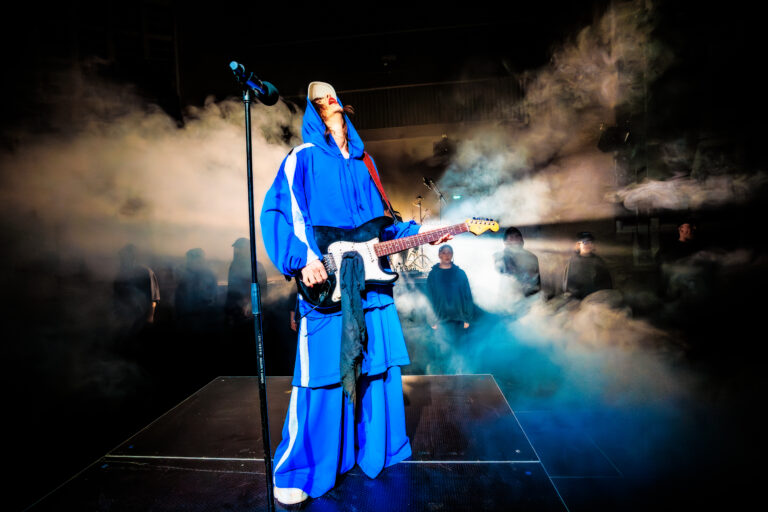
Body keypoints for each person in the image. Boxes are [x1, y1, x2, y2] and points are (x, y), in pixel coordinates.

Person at [260, 81, 451, 505]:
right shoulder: (302, 159)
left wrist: (422, 233)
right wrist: (301, 259)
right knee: (323, 376)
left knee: (379, 368)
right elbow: (279, 212)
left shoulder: (367, 164)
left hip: (373, 287)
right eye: (320, 101)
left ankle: (377, 448)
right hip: (329, 287)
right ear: (313, 113)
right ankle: (306, 467)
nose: (330, 105)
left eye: (333, 98)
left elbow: (383, 227)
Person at [426, 245, 474, 346]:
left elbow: (468, 297)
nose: (446, 255)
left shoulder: (460, 274)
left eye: (449, 253)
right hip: (440, 320)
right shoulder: (433, 275)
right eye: (444, 253)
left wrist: (467, 318)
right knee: (443, 350)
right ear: (439, 255)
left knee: (460, 348)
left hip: (459, 319)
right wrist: (431, 320)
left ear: (452, 255)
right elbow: (429, 298)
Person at [113, 243, 160, 334]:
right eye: (121, 257)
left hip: (140, 317)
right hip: (123, 318)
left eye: (124, 257)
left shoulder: (145, 272)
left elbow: (153, 298)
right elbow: (116, 298)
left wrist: (150, 317)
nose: (122, 260)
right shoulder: (120, 275)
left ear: (133, 257)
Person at [562, 232, 612, 299]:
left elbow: (607, 284)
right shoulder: (573, 261)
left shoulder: (598, 261)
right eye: (584, 242)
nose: (588, 245)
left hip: (596, 298)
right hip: (576, 298)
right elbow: (568, 286)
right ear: (578, 245)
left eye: (590, 242)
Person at [494, 227, 541, 296]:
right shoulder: (500, 257)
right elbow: (500, 270)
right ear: (505, 242)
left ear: (522, 241)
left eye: (517, 237)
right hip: (509, 297)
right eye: (511, 238)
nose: (515, 240)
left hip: (530, 297)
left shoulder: (532, 257)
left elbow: (537, 282)